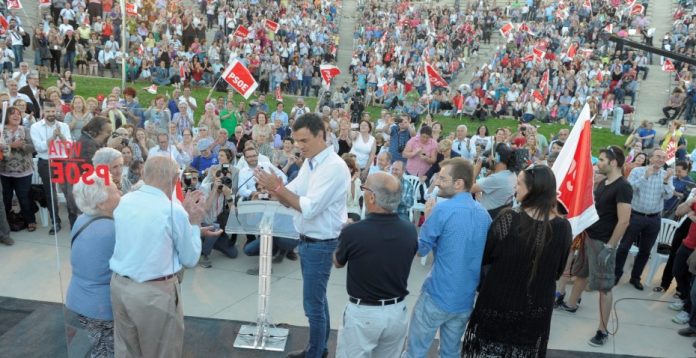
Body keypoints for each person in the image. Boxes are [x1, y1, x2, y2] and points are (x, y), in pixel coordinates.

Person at [255, 113, 350, 358]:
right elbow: (293, 193)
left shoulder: (334, 167)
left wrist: (277, 188)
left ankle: (316, 353)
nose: (299, 146)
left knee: (313, 305)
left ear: (322, 135)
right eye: (296, 141)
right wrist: (275, 188)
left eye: (304, 141)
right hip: (310, 242)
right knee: (317, 301)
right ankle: (318, 349)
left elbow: (307, 207)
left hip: (321, 244)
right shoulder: (311, 162)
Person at [109, 156, 217, 357]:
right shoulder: (173, 211)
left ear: (143, 173)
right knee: (162, 352)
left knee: (127, 352)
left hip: (120, 287)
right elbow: (191, 258)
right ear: (176, 178)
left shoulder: (124, 201)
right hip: (155, 294)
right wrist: (193, 223)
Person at [461, 165, 572, 357]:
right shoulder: (563, 227)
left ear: (534, 190)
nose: (515, 188)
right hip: (531, 311)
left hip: (500, 307)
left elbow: (485, 257)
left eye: (519, 184)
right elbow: (558, 270)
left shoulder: (508, 219)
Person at [404, 158, 492, 357]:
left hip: (437, 294)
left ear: (459, 183)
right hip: (465, 299)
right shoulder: (484, 215)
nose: (437, 182)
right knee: (450, 353)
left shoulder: (443, 210)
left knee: (415, 352)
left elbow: (420, 250)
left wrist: (427, 216)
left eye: (443, 178)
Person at [333, 172, 418, 358]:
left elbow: (337, 262)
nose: (362, 192)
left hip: (363, 314)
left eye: (364, 189)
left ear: (372, 197)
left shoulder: (353, 232)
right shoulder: (410, 231)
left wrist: (340, 235)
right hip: (397, 312)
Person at [562, 146, 632, 347]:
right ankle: (571, 304)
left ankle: (602, 331)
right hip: (589, 238)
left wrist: (609, 247)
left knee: (604, 288)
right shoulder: (603, 183)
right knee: (581, 274)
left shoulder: (623, 187)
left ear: (613, 162)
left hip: (603, 243)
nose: (598, 162)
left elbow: (624, 221)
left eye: (601, 159)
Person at [65, 172, 120, 358]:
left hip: (80, 298)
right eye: (114, 189)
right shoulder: (112, 229)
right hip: (101, 307)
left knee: (100, 348)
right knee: (108, 351)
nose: (119, 190)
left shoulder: (82, 219)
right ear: (102, 203)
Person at [616, 149, 674, 290]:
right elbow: (629, 189)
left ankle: (635, 278)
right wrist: (645, 177)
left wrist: (666, 181)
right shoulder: (638, 171)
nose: (661, 159)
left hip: (654, 218)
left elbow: (668, 196)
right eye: (658, 156)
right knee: (624, 247)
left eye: (663, 157)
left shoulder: (666, 175)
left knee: (645, 251)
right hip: (636, 215)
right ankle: (616, 274)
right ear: (650, 158)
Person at [30, 102, 72, 234]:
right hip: (46, 162)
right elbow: (40, 148)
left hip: (62, 161)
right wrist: (53, 137)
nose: (51, 114)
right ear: (43, 111)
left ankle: (74, 221)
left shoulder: (64, 126)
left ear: (56, 111)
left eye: (53, 111)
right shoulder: (35, 127)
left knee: (69, 193)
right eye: (48, 111)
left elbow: (69, 147)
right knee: (50, 194)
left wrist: (61, 136)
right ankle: (56, 222)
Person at [0, 106, 36, 232]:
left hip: (24, 171)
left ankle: (30, 220)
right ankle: (6, 222)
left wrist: (23, 146)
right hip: (4, 171)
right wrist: (11, 145)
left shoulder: (25, 130)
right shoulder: (0, 130)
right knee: (6, 198)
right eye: (12, 114)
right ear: (6, 117)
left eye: (18, 114)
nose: (16, 116)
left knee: (24, 197)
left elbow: (33, 148)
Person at [471, 143, 517, 219]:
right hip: (498, 214)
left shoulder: (496, 178)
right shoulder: (511, 174)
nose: (488, 160)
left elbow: (469, 189)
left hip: (488, 218)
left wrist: (475, 170)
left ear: (497, 157)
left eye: (489, 156)